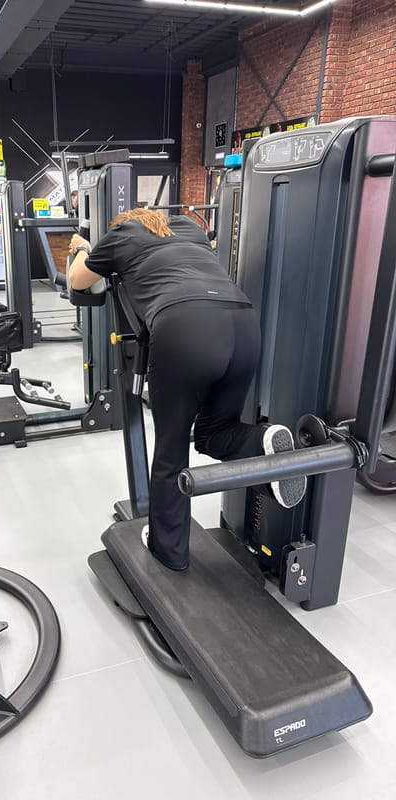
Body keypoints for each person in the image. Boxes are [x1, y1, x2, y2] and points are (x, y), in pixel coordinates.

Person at [68, 208, 306, 571]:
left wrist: (83, 249)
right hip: (243, 323)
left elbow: (77, 280)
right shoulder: (189, 228)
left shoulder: (121, 234)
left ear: (124, 221)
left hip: (184, 325)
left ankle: (169, 552)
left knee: (172, 448)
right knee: (214, 432)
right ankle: (263, 442)